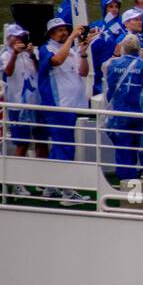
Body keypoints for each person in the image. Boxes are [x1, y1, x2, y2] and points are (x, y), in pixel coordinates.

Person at [37, 16, 95, 182]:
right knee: (64, 147)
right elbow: (56, 61)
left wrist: (83, 54)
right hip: (59, 105)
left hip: (72, 106)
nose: (63, 33)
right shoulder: (46, 48)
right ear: (51, 34)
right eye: (59, 31)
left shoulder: (70, 50)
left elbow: (83, 72)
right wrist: (71, 38)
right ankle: (65, 190)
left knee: (63, 146)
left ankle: (52, 186)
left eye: (65, 30)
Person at [103, 35, 143, 185]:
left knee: (124, 150)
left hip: (120, 114)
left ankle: (127, 186)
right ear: (139, 48)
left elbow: (109, 89)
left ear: (123, 48)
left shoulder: (113, 65)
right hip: (142, 114)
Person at [0, 25, 40, 168]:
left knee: (40, 140)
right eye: (16, 36)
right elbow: (8, 72)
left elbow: (40, 70)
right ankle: (17, 181)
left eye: (21, 36)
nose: (19, 39)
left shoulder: (29, 53)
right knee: (22, 143)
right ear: (9, 38)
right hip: (17, 105)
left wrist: (32, 55)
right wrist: (15, 54)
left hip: (34, 103)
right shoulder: (5, 55)